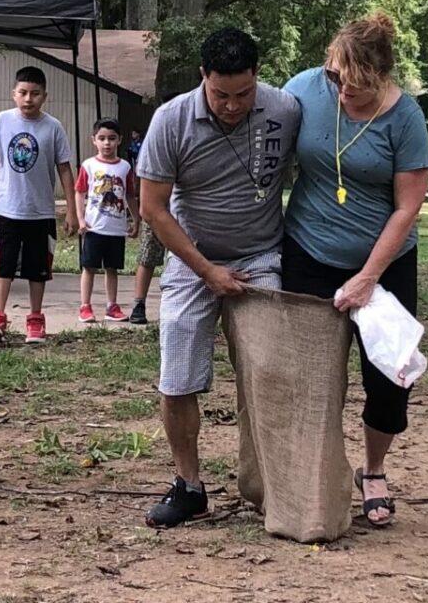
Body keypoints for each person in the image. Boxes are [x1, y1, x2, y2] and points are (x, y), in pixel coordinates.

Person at [137, 27, 300, 527]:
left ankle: (276, 484)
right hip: (193, 260)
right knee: (178, 375)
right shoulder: (171, 120)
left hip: (262, 256)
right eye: (221, 94)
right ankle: (188, 486)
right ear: (202, 77)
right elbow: (152, 208)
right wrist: (206, 271)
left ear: (258, 78)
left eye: (244, 94)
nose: (233, 105)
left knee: (270, 372)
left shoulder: (286, 110)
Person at [281, 13, 428, 527]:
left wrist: (369, 276)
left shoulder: (405, 117)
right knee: (310, 377)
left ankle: (373, 470)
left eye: (357, 83)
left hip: (385, 265)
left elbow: (407, 206)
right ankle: (313, 474)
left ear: (381, 75)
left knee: (389, 379)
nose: (343, 89)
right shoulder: (304, 88)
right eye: (336, 77)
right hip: (308, 252)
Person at [0, 66, 78, 345]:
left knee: (37, 267)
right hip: (8, 208)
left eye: (35, 93)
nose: (28, 99)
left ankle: (35, 318)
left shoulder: (53, 127)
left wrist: (72, 210)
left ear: (45, 96)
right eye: (23, 93)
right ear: (13, 94)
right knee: (3, 265)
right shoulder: (2, 121)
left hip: (40, 210)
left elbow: (65, 169)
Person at [75, 118, 139, 323]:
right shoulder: (89, 165)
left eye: (111, 138)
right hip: (94, 228)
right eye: (102, 138)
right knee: (89, 267)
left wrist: (136, 219)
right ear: (94, 140)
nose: (107, 143)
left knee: (112, 268)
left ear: (119, 140)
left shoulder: (125, 167)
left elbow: (130, 195)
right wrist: (80, 219)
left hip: (116, 229)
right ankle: (85, 305)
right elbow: (79, 192)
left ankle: (112, 306)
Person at [128, 223, 165, 324]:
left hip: (184, 212)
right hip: (156, 212)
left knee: (183, 257)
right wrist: (135, 219)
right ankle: (139, 304)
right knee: (147, 255)